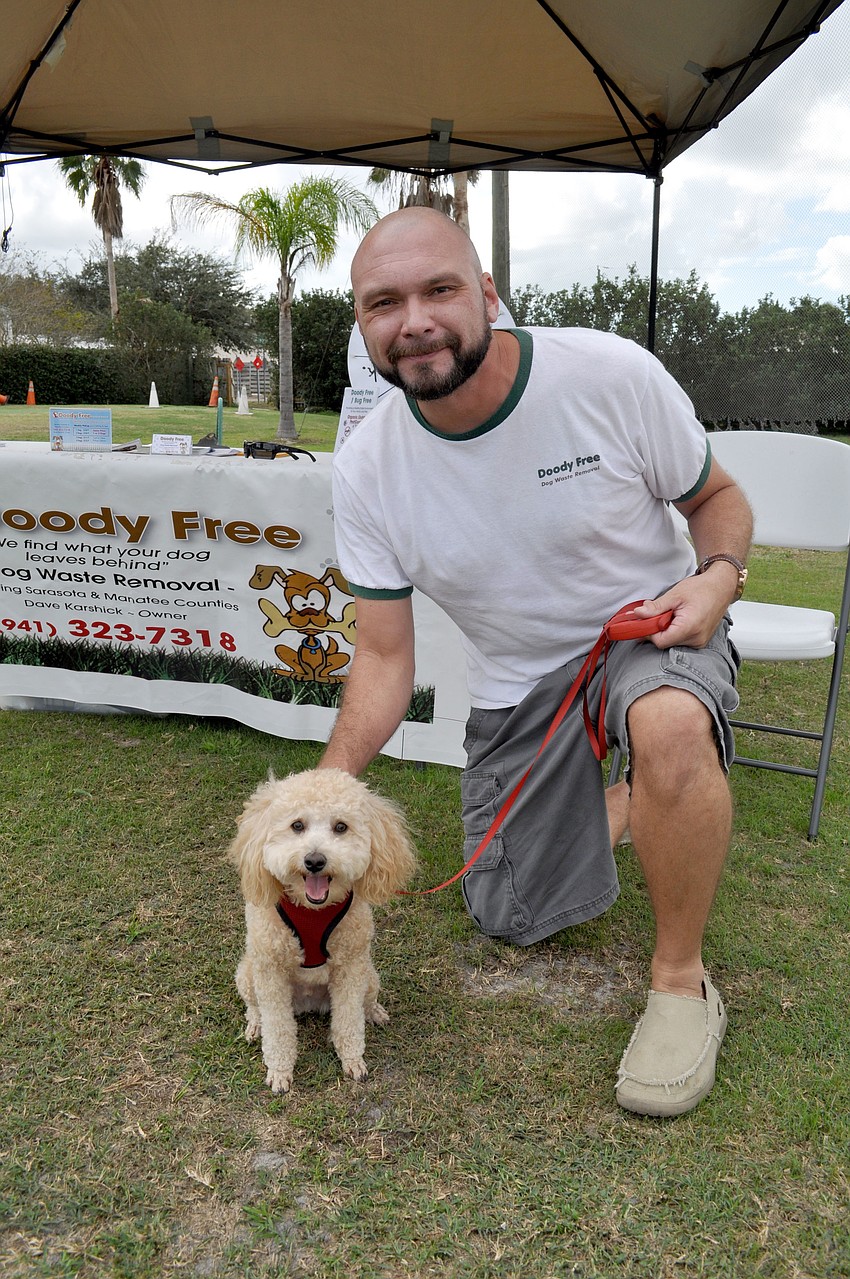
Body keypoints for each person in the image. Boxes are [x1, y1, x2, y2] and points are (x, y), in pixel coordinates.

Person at [321, 206, 752, 1117]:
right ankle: (635, 799)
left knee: (667, 722)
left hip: (648, 633)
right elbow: (383, 655)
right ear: (363, 326)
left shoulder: (607, 372)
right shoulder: (366, 468)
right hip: (524, 684)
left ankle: (680, 982)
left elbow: (716, 497)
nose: (415, 321)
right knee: (507, 914)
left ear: (487, 294)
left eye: (439, 289)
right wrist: (320, 796)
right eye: (383, 303)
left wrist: (716, 579)